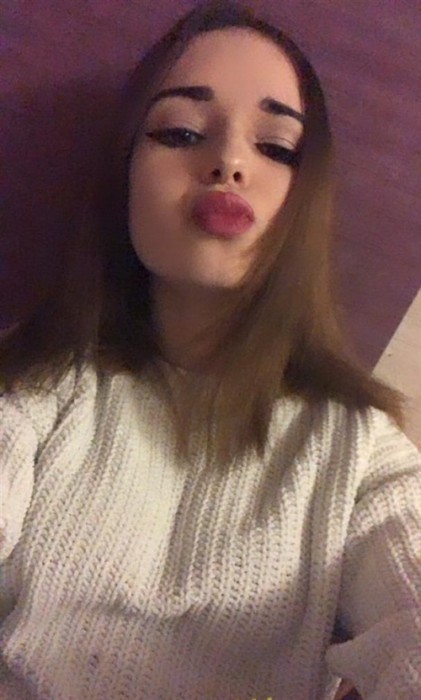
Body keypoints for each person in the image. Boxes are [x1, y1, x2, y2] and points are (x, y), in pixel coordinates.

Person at [1, 1, 420, 698]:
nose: (227, 162)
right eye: (182, 132)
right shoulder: (31, 386)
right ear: (125, 174)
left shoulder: (358, 452)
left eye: (275, 147)